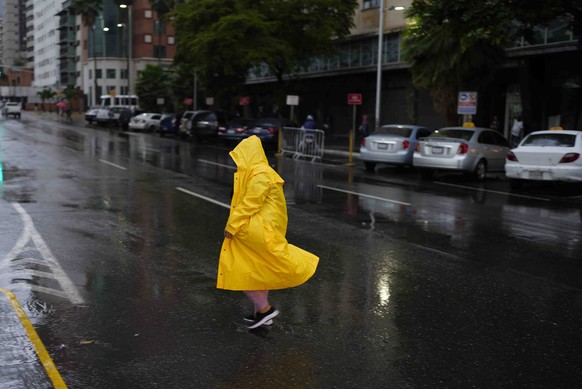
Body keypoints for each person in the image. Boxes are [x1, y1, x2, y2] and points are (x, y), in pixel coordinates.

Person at [217, 135, 319, 329]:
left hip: (257, 230)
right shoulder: (258, 172)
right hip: (260, 229)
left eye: (241, 155)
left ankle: (265, 310)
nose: (238, 160)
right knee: (258, 270)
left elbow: (250, 203)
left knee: (241, 270)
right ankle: (261, 313)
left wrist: (232, 226)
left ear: (249, 154)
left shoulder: (260, 174)